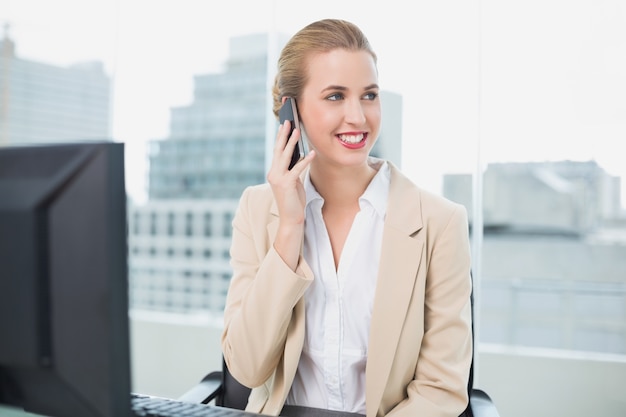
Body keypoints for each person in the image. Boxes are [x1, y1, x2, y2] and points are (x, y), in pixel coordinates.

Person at [221, 18, 473, 417]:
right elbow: (246, 368)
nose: (358, 117)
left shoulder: (439, 223)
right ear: (292, 111)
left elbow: (441, 391)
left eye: (369, 95)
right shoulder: (257, 210)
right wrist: (289, 228)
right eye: (335, 96)